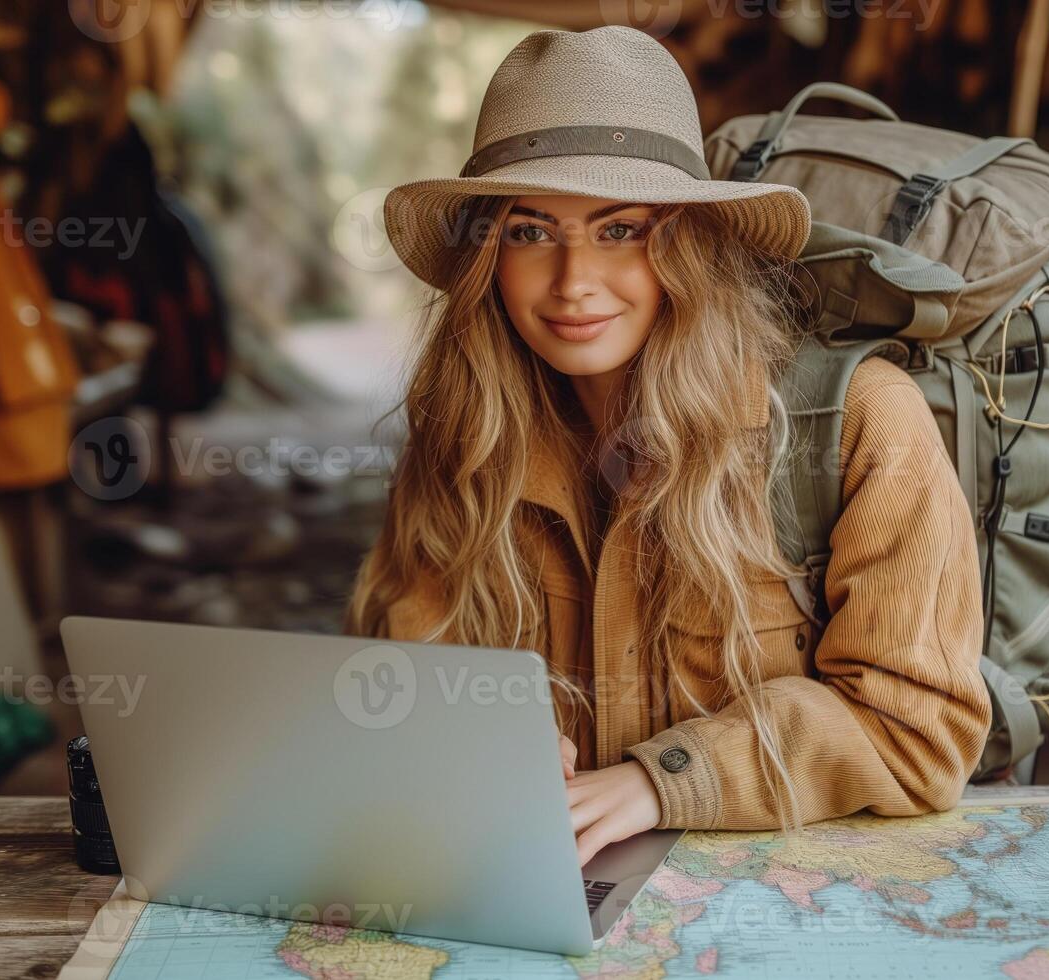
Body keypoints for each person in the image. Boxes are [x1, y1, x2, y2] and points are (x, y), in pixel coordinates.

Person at [346, 26, 990, 865]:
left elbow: (919, 732)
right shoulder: (463, 436)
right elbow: (403, 674)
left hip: (784, 896)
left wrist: (665, 781)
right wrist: (472, 728)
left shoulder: (862, 423)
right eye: (528, 232)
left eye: (620, 231)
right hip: (546, 880)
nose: (573, 280)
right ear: (484, 258)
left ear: (690, 242)